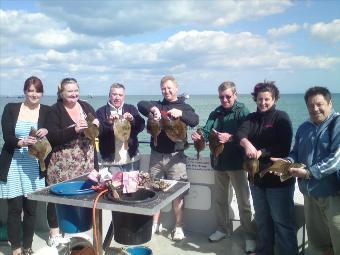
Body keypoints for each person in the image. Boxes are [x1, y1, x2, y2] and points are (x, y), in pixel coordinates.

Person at [191, 81, 256, 252]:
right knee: (220, 201)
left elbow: (248, 134)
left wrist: (231, 137)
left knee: (244, 203)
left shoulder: (243, 112)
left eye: (228, 96)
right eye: (222, 97)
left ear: (235, 95)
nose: (225, 100)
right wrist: (199, 136)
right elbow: (206, 131)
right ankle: (222, 229)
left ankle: (249, 235)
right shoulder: (216, 112)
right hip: (218, 163)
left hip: (238, 165)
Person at [237, 81, 298, 255]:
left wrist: (261, 152)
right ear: (255, 99)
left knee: (282, 222)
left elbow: (284, 147)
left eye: (267, 99)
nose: (262, 103)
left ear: (275, 99)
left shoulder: (281, 117)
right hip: (256, 179)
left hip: (278, 180)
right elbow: (239, 134)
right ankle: (265, 251)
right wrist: (247, 144)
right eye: (259, 99)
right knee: (262, 219)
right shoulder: (251, 118)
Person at [137, 75, 199, 241]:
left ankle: (179, 227)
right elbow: (140, 104)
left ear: (176, 88)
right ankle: (155, 223)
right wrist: (153, 109)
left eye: (170, 88)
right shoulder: (158, 105)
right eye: (164, 88)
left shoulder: (184, 106)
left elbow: (195, 120)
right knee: (153, 190)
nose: (167, 91)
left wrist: (181, 114)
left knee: (177, 193)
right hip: (156, 155)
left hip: (176, 157)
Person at [279, 87, 339, 255]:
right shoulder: (304, 127)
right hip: (310, 194)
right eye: (310, 106)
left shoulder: (337, 124)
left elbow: (336, 160)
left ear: (330, 103)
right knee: (318, 244)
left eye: (319, 104)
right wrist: (288, 162)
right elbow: (295, 152)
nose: (315, 109)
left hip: (334, 195)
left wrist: (308, 173)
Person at [45, 77, 100, 247]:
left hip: (85, 164)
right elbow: (52, 137)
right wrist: (74, 130)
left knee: (83, 197)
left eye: (76, 90)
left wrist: (98, 125)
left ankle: (80, 231)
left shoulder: (87, 107)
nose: (74, 94)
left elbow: (96, 134)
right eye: (69, 91)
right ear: (61, 93)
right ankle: (54, 234)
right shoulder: (54, 111)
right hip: (62, 166)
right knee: (56, 199)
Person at [0, 76, 50, 255]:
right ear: (25, 92)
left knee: (31, 210)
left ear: (42, 93)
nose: (34, 94)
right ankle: (16, 248)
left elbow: (53, 133)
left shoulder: (46, 111)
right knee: (14, 209)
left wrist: (46, 131)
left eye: (37, 91)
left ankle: (27, 246)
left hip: (34, 165)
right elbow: (7, 136)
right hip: (13, 164)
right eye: (30, 90)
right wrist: (21, 142)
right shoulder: (11, 108)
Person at [96, 83, 145, 170]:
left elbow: (141, 126)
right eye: (114, 94)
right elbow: (98, 132)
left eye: (120, 95)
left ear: (124, 96)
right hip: (110, 161)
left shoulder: (131, 108)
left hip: (131, 158)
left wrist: (132, 119)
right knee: (112, 184)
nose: (117, 97)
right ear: (109, 95)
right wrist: (109, 122)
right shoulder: (100, 111)